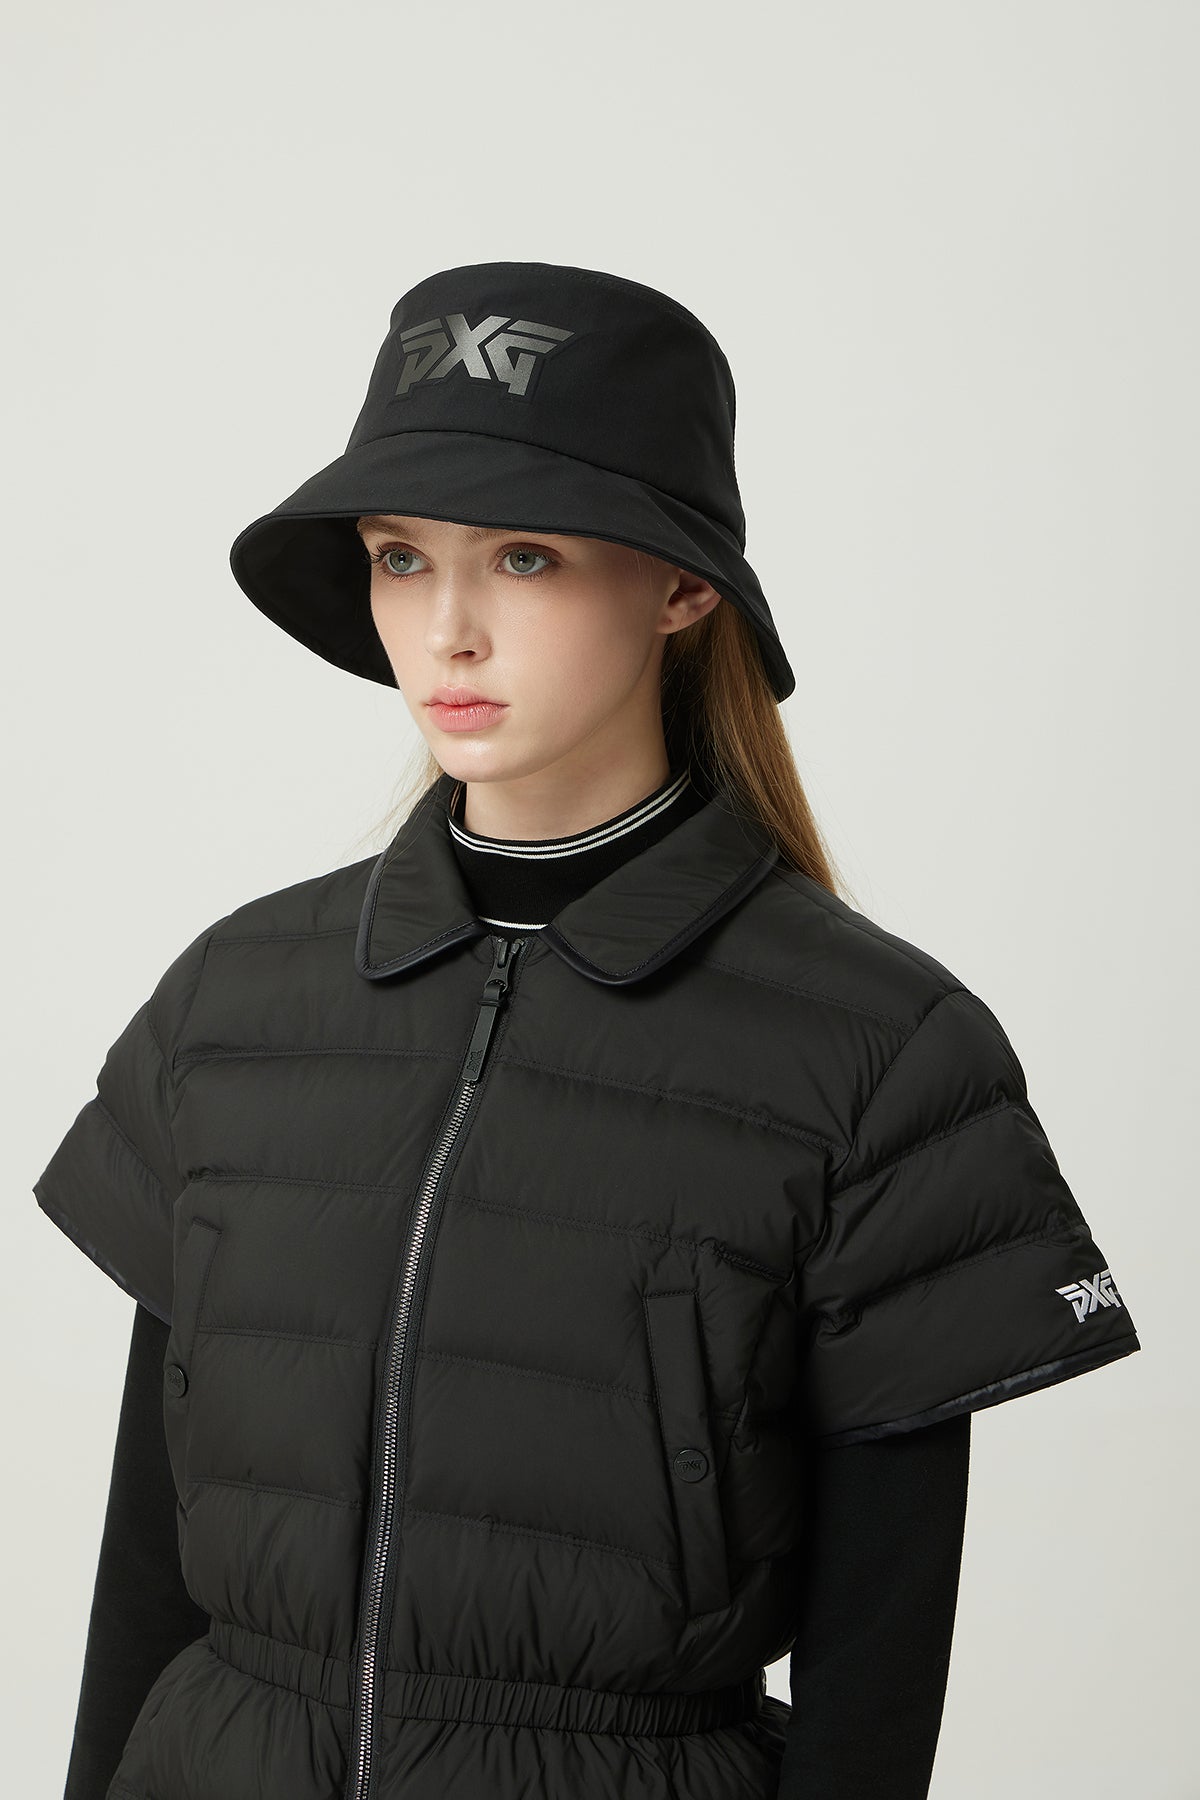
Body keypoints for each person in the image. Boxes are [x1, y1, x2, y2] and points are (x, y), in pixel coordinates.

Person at [36, 261, 1141, 1800]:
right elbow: (146, 1570)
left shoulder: (880, 1053)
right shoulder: (236, 1004)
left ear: (683, 588)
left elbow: (878, 1671)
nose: (449, 630)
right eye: (402, 558)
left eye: (526, 557)